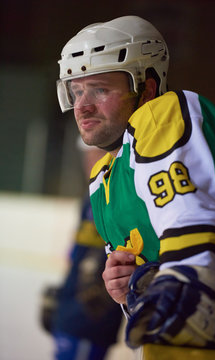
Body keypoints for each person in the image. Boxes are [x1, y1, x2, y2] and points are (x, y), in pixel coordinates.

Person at [56, 15, 215, 359]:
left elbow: (195, 223)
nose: (82, 106)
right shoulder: (104, 180)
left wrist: (187, 285)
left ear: (148, 87)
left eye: (100, 89)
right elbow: (150, 284)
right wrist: (126, 288)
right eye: (77, 91)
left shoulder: (163, 113)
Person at [40, 141, 123, 360]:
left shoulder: (120, 195)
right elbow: (78, 254)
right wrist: (62, 299)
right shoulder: (90, 196)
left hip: (91, 318)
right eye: (86, 155)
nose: (89, 161)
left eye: (95, 154)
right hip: (70, 313)